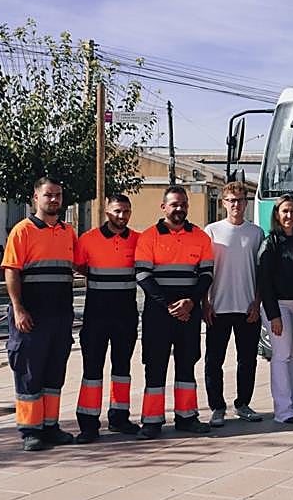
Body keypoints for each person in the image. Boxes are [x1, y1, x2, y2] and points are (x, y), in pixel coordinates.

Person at [1, 177, 78, 451]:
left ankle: (50, 426)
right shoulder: (22, 231)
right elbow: (12, 270)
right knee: (29, 373)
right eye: (48, 195)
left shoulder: (68, 232)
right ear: (36, 198)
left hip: (60, 315)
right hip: (31, 316)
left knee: (55, 373)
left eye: (58, 195)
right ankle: (30, 430)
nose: (54, 199)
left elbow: (79, 265)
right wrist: (18, 308)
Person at [135, 185, 215, 439]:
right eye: (174, 204)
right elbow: (143, 276)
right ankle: (151, 421)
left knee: (187, 364)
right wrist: (171, 305)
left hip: (189, 313)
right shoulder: (148, 237)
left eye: (183, 204)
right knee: (155, 365)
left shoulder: (200, 237)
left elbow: (207, 274)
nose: (179, 208)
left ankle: (187, 417)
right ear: (163, 207)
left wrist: (191, 302)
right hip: (158, 314)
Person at [73, 194, 141, 443]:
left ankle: (119, 418)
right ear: (106, 212)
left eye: (126, 211)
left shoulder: (138, 240)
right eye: (117, 211)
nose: (121, 216)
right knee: (92, 369)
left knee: (122, 369)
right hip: (96, 315)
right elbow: (79, 265)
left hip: (126, 314)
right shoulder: (88, 239)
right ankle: (88, 424)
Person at [203, 182, 265, 427]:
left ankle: (243, 404)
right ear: (223, 203)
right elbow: (204, 270)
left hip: (247, 308)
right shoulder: (211, 231)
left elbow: (261, 273)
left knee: (247, 360)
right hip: (218, 307)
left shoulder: (256, 233)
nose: (236, 204)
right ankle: (217, 408)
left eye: (240, 200)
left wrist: (257, 303)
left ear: (246, 203)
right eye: (231, 200)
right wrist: (205, 303)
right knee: (213, 361)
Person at [257, 194, 293, 425]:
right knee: (281, 356)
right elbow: (264, 281)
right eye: (285, 211)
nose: (289, 215)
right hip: (279, 306)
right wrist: (274, 316)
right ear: (277, 215)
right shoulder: (269, 243)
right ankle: (283, 410)